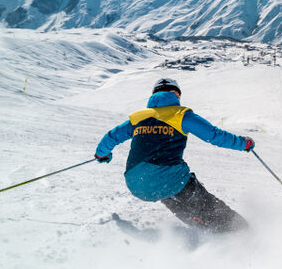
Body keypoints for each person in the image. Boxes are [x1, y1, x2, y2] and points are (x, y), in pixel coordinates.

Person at [94, 78, 254, 233]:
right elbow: (214, 136)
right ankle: (241, 231)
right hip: (169, 179)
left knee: (166, 189)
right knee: (195, 197)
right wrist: (243, 143)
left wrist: (102, 155)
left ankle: (198, 221)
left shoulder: (138, 118)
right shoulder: (181, 115)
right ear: (176, 94)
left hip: (137, 184)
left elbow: (111, 137)